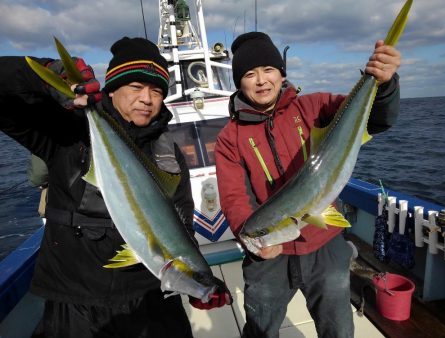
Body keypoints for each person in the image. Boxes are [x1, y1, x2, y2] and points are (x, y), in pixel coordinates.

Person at [0, 36, 231, 338]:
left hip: (151, 298)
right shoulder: (68, 133)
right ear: (113, 88)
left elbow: (181, 227)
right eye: (136, 87)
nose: (147, 98)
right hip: (75, 303)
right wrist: (44, 73)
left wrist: (200, 285)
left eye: (157, 90)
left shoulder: (169, 153)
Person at [215, 31, 401, 338]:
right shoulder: (229, 138)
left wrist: (382, 84)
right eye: (250, 74)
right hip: (270, 254)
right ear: (240, 83)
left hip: (324, 242)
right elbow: (234, 197)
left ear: (281, 73)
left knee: (337, 327)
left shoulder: (315, 108)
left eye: (268, 70)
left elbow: (375, 119)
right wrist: (253, 242)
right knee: (260, 327)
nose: (261, 80)